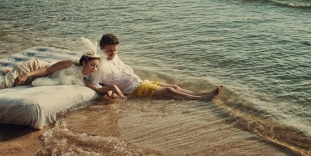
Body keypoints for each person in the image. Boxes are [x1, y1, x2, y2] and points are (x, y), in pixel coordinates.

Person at [93, 33, 221, 100]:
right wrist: (109, 91)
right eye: (110, 50)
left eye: (115, 50)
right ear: (102, 48)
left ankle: (201, 94)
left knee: (174, 86)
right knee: (169, 91)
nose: (113, 53)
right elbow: (93, 81)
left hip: (140, 82)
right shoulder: (99, 64)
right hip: (133, 89)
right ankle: (202, 99)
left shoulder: (113, 56)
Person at [0, 53, 124, 99]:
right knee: (2, 85)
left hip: (35, 77)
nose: (94, 68)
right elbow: (46, 71)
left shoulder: (82, 79)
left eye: (96, 66)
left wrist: (113, 89)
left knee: (2, 81)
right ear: (84, 62)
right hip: (35, 68)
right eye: (92, 64)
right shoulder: (70, 63)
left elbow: (97, 89)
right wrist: (27, 73)